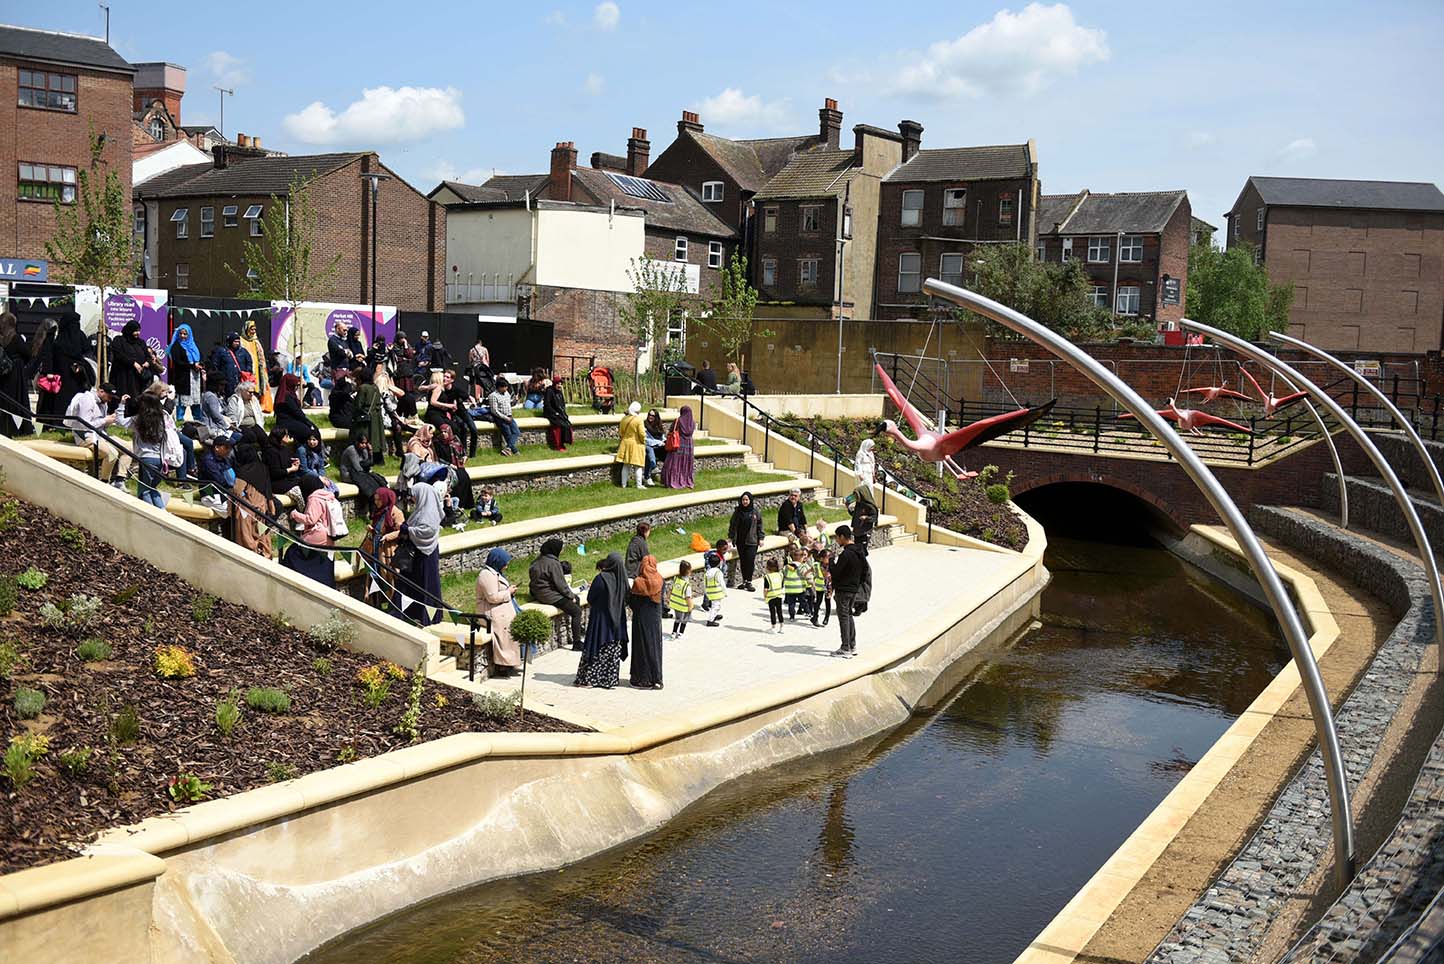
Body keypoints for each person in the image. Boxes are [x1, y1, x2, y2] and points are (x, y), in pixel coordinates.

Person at [394, 479, 446, 624]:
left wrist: (407, 530)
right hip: (415, 555)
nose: (413, 497)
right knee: (410, 583)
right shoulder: (421, 509)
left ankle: (427, 615)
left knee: (426, 584)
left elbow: (427, 531)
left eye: (415, 494)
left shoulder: (428, 512)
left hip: (425, 555)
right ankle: (408, 611)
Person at [575, 551, 628, 689]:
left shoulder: (601, 578)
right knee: (612, 650)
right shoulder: (623, 580)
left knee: (595, 647)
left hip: (600, 620)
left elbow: (590, 598)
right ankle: (608, 680)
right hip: (617, 622)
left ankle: (590, 679)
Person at [65, 382, 129, 486]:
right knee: (112, 453)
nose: (110, 400)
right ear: (101, 391)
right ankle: (104, 483)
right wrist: (105, 420)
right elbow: (84, 425)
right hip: (86, 436)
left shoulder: (104, 403)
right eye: (109, 396)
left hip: (101, 435)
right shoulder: (87, 400)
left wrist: (110, 421)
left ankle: (119, 480)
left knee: (128, 448)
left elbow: (101, 425)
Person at [282, 475, 339, 589]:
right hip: (330, 535)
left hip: (317, 534)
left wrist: (295, 514)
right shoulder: (329, 496)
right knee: (323, 561)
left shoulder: (314, 498)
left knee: (293, 552)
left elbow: (311, 519)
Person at [475, 548, 523, 678]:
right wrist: (509, 593)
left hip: (499, 608)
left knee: (513, 622)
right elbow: (492, 597)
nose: (506, 566)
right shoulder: (486, 575)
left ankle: (510, 661)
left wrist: (509, 590)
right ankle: (503, 664)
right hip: (489, 611)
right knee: (504, 627)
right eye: (505, 562)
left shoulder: (495, 573)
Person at [38, 309, 91, 423]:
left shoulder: (80, 335)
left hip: (76, 375)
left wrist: (81, 366)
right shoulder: (54, 334)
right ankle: (57, 422)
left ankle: (73, 422)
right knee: (58, 400)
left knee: (74, 399)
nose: (75, 326)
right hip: (58, 375)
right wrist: (49, 371)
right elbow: (47, 354)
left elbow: (87, 354)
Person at [529, 538, 583, 650]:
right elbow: (561, 584)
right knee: (576, 611)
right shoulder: (553, 563)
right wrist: (571, 596)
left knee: (576, 600)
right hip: (551, 596)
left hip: (537, 593)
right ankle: (577, 642)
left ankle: (578, 628)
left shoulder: (536, 561)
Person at [828, 525, 869, 658]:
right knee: (849, 616)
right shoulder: (859, 551)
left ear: (842, 537)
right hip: (853, 590)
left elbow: (836, 572)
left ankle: (845, 647)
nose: (836, 541)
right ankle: (852, 645)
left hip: (844, 590)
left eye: (837, 538)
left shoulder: (846, 554)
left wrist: (830, 561)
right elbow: (865, 571)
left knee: (844, 618)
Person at [127, 392, 172, 509]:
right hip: (160, 460)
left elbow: (121, 421)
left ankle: (152, 514)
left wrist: (122, 405)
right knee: (153, 489)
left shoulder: (138, 420)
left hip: (146, 459)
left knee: (144, 490)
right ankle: (163, 514)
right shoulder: (161, 420)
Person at [361, 486, 404, 604]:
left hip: (387, 550)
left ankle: (392, 604)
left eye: (379, 499)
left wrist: (387, 537)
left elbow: (401, 531)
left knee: (387, 577)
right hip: (375, 548)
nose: (376, 502)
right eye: (375, 499)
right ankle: (375, 602)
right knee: (374, 574)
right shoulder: (378, 512)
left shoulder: (396, 513)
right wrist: (371, 529)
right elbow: (377, 528)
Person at [0, 312, 41, 436]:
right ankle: (19, 427)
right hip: (15, 373)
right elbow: (28, 353)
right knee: (17, 399)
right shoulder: (15, 338)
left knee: (4, 401)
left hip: (2, 372)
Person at [629, 555, 664, 689]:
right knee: (654, 647)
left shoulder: (638, 583)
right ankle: (656, 678)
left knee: (640, 648)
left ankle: (641, 678)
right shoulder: (660, 580)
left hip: (640, 619)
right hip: (654, 620)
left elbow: (631, 602)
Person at [108, 320, 158, 407]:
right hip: (123, 376)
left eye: (139, 330)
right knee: (124, 395)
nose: (137, 333)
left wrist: (147, 362)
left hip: (138, 377)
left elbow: (148, 356)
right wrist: (133, 363)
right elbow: (119, 355)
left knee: (137, 396)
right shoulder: (119, 340)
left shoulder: (141, 342)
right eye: (135, 331)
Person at [165, 323, 204, 424]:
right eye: (181, 334)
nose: (182, 336)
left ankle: (197, 421)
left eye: (185, 334)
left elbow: (200, 358)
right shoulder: (176, 346)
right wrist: (192, 365)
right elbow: (178, 362)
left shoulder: (193, 345)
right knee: (182, 401)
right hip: (183, 377)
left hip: (195, 377)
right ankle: (180, 421)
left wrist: (199, 365)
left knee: (196, 401)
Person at [726, 492, 763, 592]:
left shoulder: (755, 512)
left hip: (752, 541)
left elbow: (759, 525)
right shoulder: (738, 511)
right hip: (740, 541)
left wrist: (761, 538)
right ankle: (744, 581)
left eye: (747, 500)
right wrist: (730, 537)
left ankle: (749, 581)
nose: (745, 502)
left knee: (750, 561)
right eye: (743, 500)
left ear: (750, 500)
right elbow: (732, 525)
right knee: (743, 561)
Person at [350, 366, 386, 465]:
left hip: (366, 417)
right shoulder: (375, 387)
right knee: (376, 438)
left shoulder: (363, 388)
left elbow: (358, 404)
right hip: (376, 416)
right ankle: (379, 460)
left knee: (365, 436)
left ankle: (366, 458)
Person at [339, 435, 387, 503]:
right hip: (348, 474)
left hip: (359, 473)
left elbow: (368, 464)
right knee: (367, 481)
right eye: (362, 443)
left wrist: (370, 452)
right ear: (357, 442)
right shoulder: (351, 450)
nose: (364, 445)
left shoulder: (364, 449)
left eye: (365, 443)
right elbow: (357, 467)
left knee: (376, 478)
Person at [273, 373, 319, 443]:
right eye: (295, 385)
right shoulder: (287, 396)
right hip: (285, 422)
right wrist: (308, 423)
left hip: (291, 420)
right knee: (308, 431)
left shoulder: (286, 393)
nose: (296, 387)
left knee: (313, 429)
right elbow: (297, 412)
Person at [660, 405, 696, 489]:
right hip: (689, 445)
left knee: (674, 462)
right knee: (685, 463)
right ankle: (686, 480)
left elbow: (672, 430)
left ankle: (673, 480)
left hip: (678, 444)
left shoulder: (678, 421)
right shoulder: (692, 422)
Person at [615, 400, 647, 488]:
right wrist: (644, 441)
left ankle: (623, 484)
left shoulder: (624, 419)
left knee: (626, 465)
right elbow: (642, 434)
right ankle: (639, 484)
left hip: (625, 443)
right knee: (638, 466)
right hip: (636, 444)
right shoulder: (638, 420)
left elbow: (621, 432)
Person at [209, 332, 251, 398]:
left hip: (240, 381)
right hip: (227, 383)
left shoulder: (243, 352)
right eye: (235, 341)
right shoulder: (221, 351)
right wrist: (220, 379)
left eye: (238, 342)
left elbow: (249, 363)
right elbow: (215, 365)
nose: (237, 343)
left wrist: (247, 373)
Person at [199, 436, 236, 508]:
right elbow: (220, 481)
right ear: (217, 448)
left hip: (224, 492)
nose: (229, 450)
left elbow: (231, 477)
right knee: (231, 509)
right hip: (210, 495)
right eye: (226, 447)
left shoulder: (225, 459)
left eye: (230, 447)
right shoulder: (208, 461)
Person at [487, 377, 520, 456]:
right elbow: (494, 410)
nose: (506, 388)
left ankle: (508, 448)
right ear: (499, 387)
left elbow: (509, 404)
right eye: (504, 387)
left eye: (506, 386)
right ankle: (515, 451)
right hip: (500, 418)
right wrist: (505, 418)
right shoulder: (493, 396)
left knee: (516, 432)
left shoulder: (507, 394)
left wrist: (515, 401)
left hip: (509, 416)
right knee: (508, 434)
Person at [240, 319, 269, 408]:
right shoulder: (241, 341)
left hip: (256, 368)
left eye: (254, 330)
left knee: (256, 387)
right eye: (251, 329)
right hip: (246, 369)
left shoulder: (255, 341)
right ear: (246, 329)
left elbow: (260, 356)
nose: (253, 332)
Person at [542, 378, 573, 451]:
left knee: (567, 423)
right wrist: (554, 413)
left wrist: (563, 414)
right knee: (558, 425)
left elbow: (562, 405)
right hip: (550, 413)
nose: (559, 385)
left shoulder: (559, 392)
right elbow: (547, 404)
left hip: (558, 413)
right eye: (558, 384)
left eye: (560, 384)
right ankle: (558, 445)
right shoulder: (549, 391)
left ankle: (564, 442)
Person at [666, 560, 694, 640]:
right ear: (688, 571)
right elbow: (688, 597)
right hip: (683, 606)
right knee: (684, 620)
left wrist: (668, 598)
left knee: (677, 619)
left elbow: (670, 590)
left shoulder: (676, 579)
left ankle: (674, 632)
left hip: (675, 604)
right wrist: (690, 606)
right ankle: (681, 633)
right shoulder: (687, 585)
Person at [783, 548, 810, 622]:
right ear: (801, 557)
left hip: (789, 589)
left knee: (791, 604)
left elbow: (783, 575)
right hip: (800, 588)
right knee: (803, 602)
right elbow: (807, 576)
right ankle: (808, 613)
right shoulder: (802, 566)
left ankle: (792, 616)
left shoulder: (786, 567)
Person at [702, 550, 727, 626]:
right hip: (717, 592)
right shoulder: (718, 572)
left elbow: (705, 583)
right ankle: (710, 620)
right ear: (719, 563)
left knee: (714, 605)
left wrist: (706, 591)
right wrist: (725, 592)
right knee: (716, 606)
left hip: (710, 592)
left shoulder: (707, 572)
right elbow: (722, 583)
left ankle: (713, 615)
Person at [810, 547, 833, 627]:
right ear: (821, 559)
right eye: (828, 557)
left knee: (827, 602)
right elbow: (809, 571)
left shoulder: (832, 566)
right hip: (819, 587)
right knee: (818, 602)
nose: (830, 559)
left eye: (831, 557)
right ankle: (815, 617)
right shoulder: (817, 565)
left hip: (828, 587)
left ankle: (826, 617)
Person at [763, 558, 785, 634]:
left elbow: (766, 589)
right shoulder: (780, 575)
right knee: (779, 611)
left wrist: (765, 596)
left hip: (771, 597)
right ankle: (782, 627)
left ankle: (773, 627)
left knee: (773, 612)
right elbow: (782, 586)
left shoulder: (767, 577)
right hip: (779, 595)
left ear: (768, 567)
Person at [643, 408, 666, 483]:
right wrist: (658, 442)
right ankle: (648, 474)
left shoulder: (658, 425)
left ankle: (666, 475)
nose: (650, 416)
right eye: (649, 414)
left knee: (668, 453)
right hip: (648, 445)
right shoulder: (645, 424)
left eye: (653, 415)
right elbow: (646, 439)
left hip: (658, 446)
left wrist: (663, 441)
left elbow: (662, 436)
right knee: (649, 451)